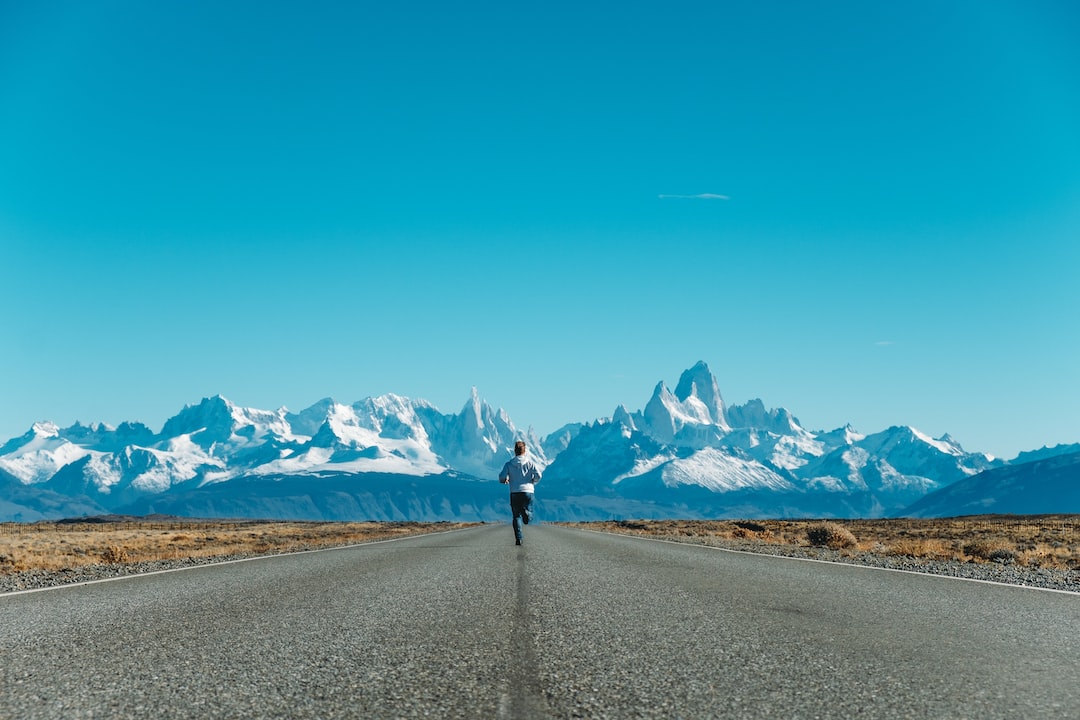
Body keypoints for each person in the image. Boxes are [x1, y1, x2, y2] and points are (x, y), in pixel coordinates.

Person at [498, 440, 542, 546]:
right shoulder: (530, 463)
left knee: (516, 516)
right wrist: (533, 481)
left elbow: (501, 477)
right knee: (528, 516)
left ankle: (519, 538)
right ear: (524, 450)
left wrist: (505, 480)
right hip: (528, 491)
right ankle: (526, 513)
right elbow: (539, 475)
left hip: (515, 492)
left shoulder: (509, 464)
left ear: (515, 451)